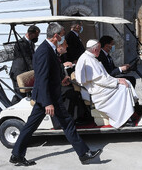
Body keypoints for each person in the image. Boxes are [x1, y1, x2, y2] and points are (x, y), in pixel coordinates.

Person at [9, 22, 101, 166]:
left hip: (48, 95)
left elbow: (51, 73)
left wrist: (60, 80)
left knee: (32, 126)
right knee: (67, 124)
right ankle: (84, 154)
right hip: (48, 97)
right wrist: (48, 103)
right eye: (63, 35)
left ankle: (16, 155)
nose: (64, 39)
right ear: (56, 36)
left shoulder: (49, 49)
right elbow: (42, 79)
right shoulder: (44, 51)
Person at [75, 39, 138, 128]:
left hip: (98, 85)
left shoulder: (90, 57)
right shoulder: (88, 60)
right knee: (123, 88)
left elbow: (102, 77)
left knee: (126, 82)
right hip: (96, 89)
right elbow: (101, 80)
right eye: (100, 49)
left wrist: (118, 80)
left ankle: (130, 112)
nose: (100, 51)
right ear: (95, 50)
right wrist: (117, 81)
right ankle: (123, 118)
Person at [56, 40, 90, 125]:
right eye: (65, 44)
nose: (67, 46)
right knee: (72, 92)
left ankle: (80, 116)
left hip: (60, 82)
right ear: (60, 46)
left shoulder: (60, 55)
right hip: (53, 86)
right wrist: (62, 66)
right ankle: (69, 118)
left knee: (76, 90)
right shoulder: (53, 56)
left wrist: (64, 78)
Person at [9, 25, 40, 104]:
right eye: (36, 36)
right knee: (19, 94)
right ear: (30, 34)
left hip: (26, 71)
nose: (37, 38)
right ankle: (11, 109)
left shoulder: (31, 44)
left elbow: (33, 57)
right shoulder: (20, 44)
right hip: (18, 72)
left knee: (27, 93)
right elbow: (27, 59)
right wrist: (34, 69)